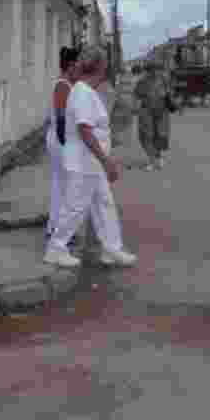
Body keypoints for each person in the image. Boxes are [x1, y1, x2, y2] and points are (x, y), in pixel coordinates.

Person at [44, 45, 138, 269]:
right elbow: (85, 131)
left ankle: (111, 249)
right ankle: (56, 249)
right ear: (101, 67)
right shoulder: (84, 93)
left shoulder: (83, 91)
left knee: (104, 203)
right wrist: (107, 162)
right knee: (76, 206)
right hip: (84, 161)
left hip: (90, 161)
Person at [45, 46, 81, 240]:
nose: (80, 70)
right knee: (64, 185)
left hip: (60, 139)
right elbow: (60, 117)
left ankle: (56, 227)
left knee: (61, 184)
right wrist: (66, 144)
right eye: (78, 66)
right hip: (61, 140)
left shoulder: (66, 84)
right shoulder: (62, 85)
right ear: (71, 65)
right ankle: (59, 230)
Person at [132, 59, 173, 171]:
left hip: (161, 111)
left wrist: (170, 99)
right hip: (146, 111)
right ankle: (151, 160)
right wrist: (135, 108)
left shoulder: (164, 80)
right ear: (148, 71)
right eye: (152, 70)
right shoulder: (142, 82)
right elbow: (136, 95)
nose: (155, 72)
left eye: (157, 69)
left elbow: (170, 94)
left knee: (159, 135)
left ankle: (158, 158)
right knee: (146, 135)